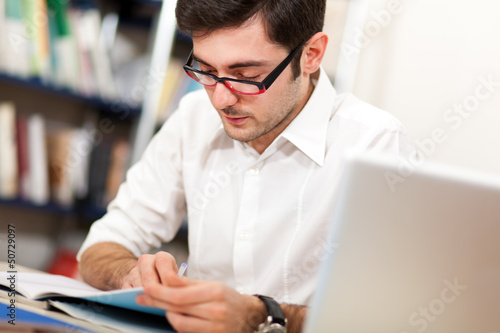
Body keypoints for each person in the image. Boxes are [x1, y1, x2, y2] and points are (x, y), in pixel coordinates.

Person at [77, 0, 414, 332]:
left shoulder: (374, 145)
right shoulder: (192, 119)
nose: (221, 99)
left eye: (247, 76)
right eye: (206, 71)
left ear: (311, 55)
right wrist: (133, 275)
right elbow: (98, 248)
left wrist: (260, 316)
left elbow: (387, 317)